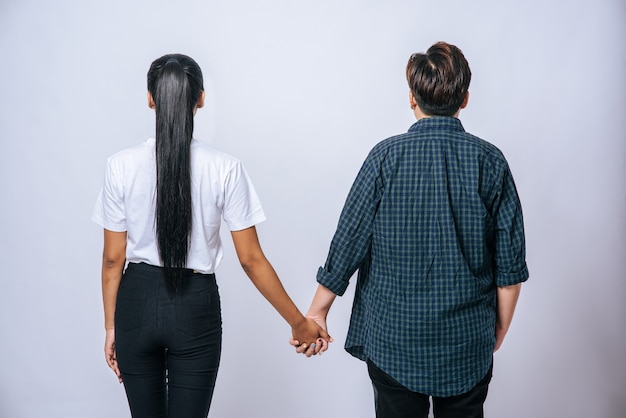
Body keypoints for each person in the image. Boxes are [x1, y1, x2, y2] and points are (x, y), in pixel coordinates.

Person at [292, 42, 528, 418]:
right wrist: (498, 328)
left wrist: (318, 311)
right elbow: (510, 264)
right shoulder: (490, 161)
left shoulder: (384, 157)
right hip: (467, 341)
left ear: (411, 99)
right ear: (464, 99)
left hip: (394, 340)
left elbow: (348, 240)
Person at [92, 53, 329, 418]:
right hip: (194, 307)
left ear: (150, 97)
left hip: (134, 306)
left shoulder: (119, 166)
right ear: (200, 98)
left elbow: (112, 260)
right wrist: (299, 323)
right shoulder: (225, 168)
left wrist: (112, 326)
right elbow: (251, 260)